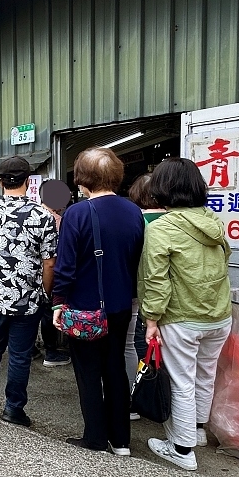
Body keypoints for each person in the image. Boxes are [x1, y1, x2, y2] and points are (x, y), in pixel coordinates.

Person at [140, 157, 232, 471]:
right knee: (206, 374)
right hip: (220, 315)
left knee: (182, 382)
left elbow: (156, 279)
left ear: (161, 189)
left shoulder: (163, 228)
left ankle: (181, 449)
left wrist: (151, 319)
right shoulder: (212, 221)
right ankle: (197, 431)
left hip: (182, 317)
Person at [52, 148, 145, 457]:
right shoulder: (133, 211)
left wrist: (57, 303)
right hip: (121, 305)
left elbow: (65, 267)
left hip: (85, 308)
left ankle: (94, 438)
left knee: (88, 372)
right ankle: (121, 441)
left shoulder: (76, 214)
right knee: (115, 367)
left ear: (82, 180)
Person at [0, 156, 56, 427]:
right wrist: (44, 292)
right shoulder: (43, 216)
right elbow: (50, 262)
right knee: (19, 354)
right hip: (28, 300)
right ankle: (13, 408)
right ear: (28, 182)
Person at [125, 173, 165, 399]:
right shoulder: (176, 220)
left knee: (133, 345)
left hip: (136, 290)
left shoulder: (135, 219)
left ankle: (135, 396)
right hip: (172, 297)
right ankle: (163, 398)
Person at [37, 180, 70, 368]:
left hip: (33, 275)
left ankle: (33, 349)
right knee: (49, 312)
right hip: (50, 273)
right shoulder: (55, 220)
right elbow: (55, 257)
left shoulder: (33, 214)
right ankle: (51, 352)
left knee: (37, 312)